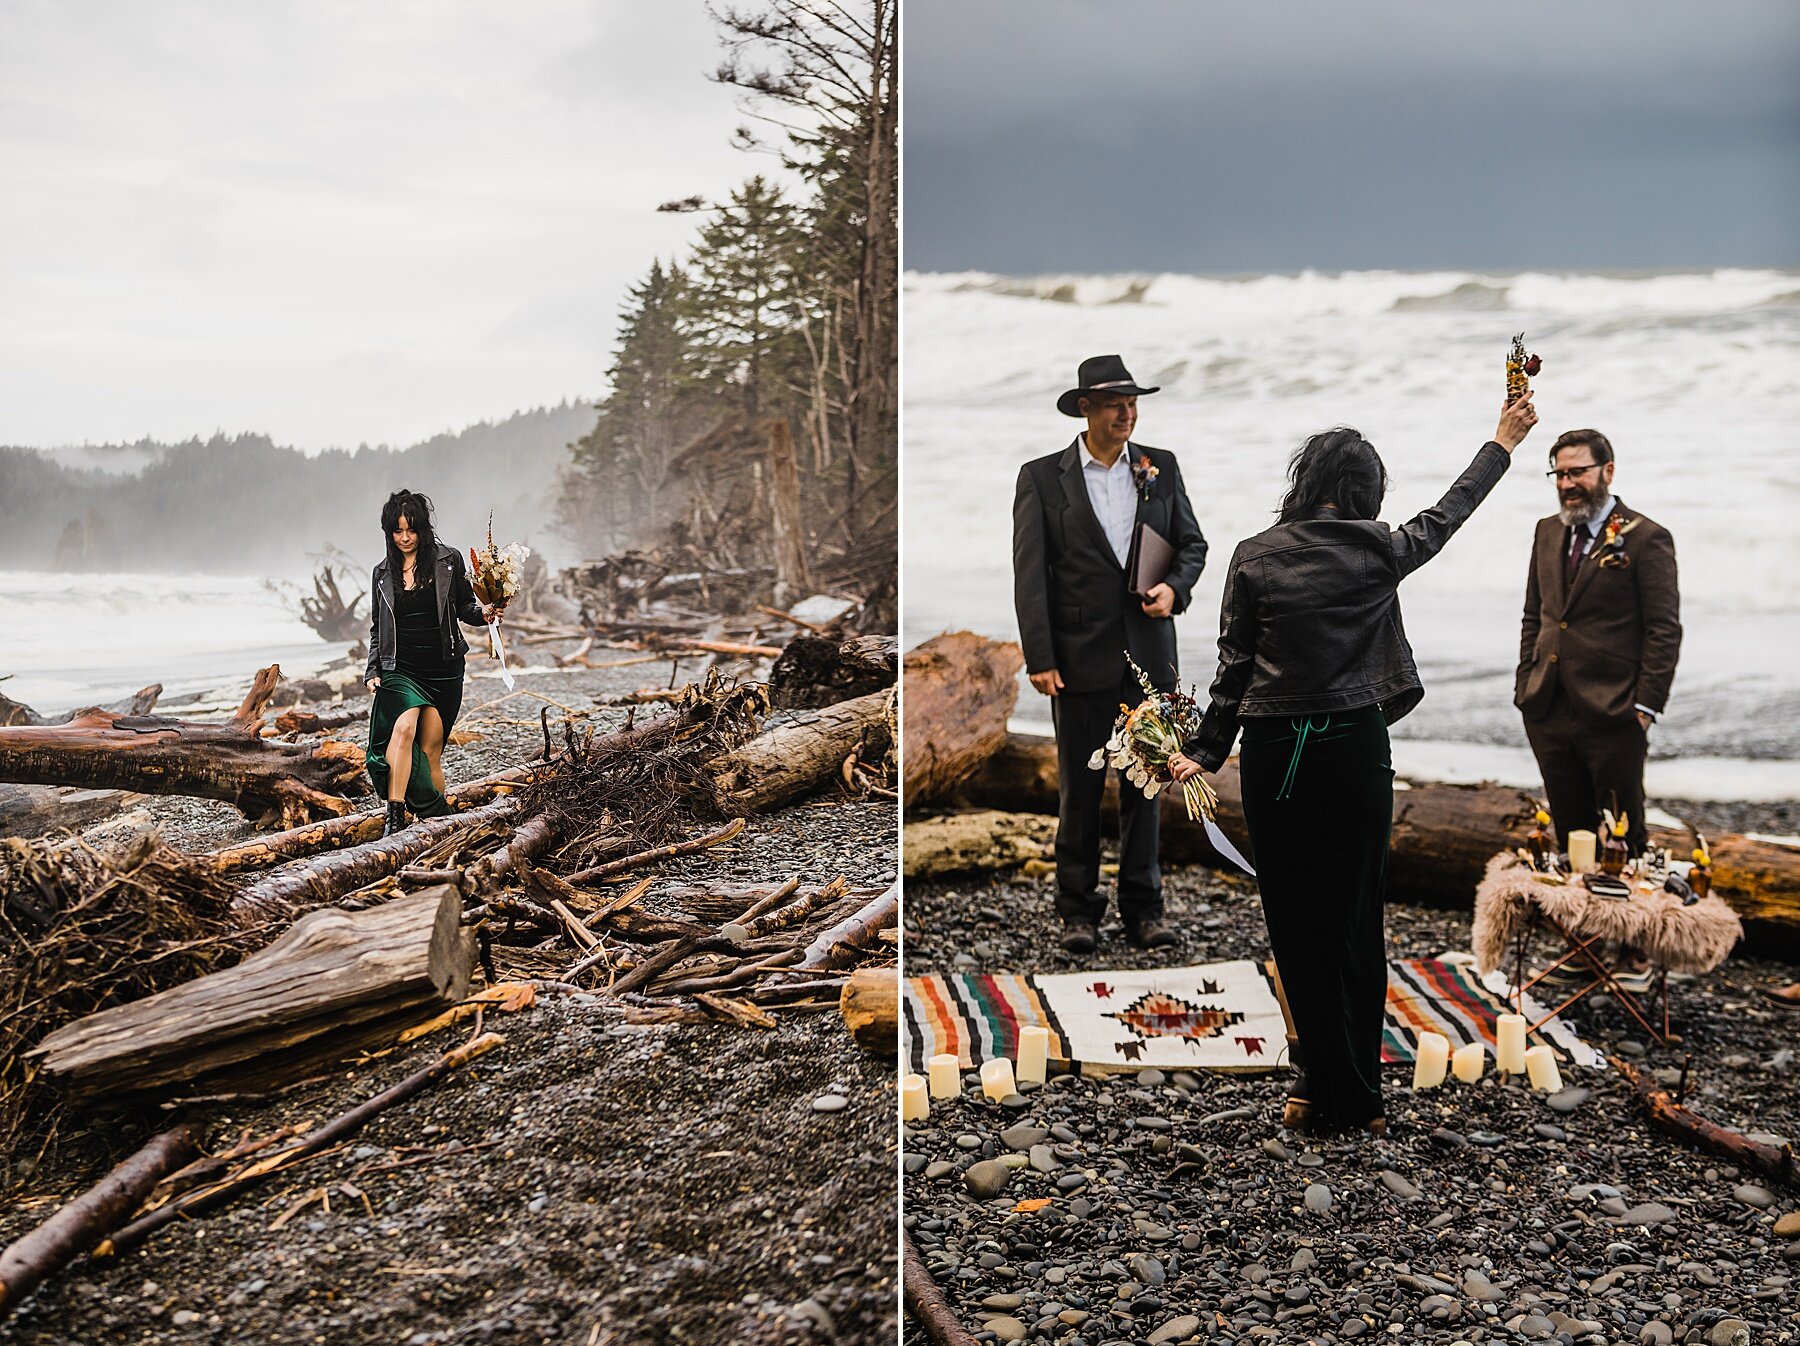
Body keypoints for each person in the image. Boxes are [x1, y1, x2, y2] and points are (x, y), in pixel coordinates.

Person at [1169, 396, 1539, 1135]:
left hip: (1275, 755)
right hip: (1355, 748)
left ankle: (1313, 1088)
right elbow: (1451, 512)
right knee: (1355, 921)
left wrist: (1203, 753)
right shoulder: (1380, 548)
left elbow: (1232, 669)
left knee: (1295, 921)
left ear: (1308, 485)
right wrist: (1502, 441)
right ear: (1363, 493)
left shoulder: (1254, 555)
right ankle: (1360, 1097)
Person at [1013, 354, 1209, 955]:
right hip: (1075, 659)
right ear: (1085, 409)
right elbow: (1031, 576)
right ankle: (1078, 912)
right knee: (1079, 788)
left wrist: (1175, 588)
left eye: (1133, 404)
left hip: (1151, 659)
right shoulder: (1043, 478)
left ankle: (1144, 911)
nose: (1128, 414)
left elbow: (1192, 544)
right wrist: (1039, 657)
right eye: (1115, 405)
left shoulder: (1161, 467)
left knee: (1148, 786)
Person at [1515, 429, 1681, 857]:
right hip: (1547, 706)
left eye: (1577, 472)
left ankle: (1628, 923)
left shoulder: (1647, 537)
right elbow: (1536, 614)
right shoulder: (1546, 531)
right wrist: (1525, 686)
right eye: (1559, 473)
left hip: (1614, 712)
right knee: (1572, 836)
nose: (1567, 484)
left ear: (1607, 470)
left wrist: (1644, 709)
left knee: (1623, 838)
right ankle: (1579, 919)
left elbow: (1663, 629)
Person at [364, 490, 492, 835]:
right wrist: (372, 669)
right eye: (397, 531)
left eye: (411, 530)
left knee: (432, 748)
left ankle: (437, 819)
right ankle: (395, 815)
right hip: (400, 668)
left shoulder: (448, 561)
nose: (405, 538)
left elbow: (465, 608)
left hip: (444, 669)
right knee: (403, 727)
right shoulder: (381, 573)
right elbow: (379, 628)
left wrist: (487, 613)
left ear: (423, 527)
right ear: (389, 532)